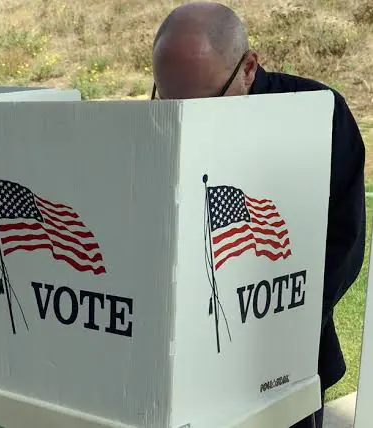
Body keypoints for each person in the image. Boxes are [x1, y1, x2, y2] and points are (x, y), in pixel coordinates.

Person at [151, 3, 366, 427]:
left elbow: (342, 244)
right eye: (166, 99)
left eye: (202, 103)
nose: (183, 117)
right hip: (184, 361)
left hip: (281, 359)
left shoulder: (316, 113)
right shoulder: (162, 115)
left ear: (248, 68)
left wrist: (275, 324)